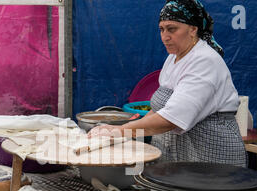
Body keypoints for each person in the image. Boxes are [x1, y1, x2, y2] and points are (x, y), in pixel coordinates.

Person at [89, 0, 247, 168]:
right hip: (178, 155)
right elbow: (160, 110)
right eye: (162, 29)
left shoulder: (205, 62)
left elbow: (172, 119)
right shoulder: (173, 58)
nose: (165, 36)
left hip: (210, 157)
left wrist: (121, 131)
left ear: (193, 29)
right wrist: (123, 131)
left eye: (172, 29)